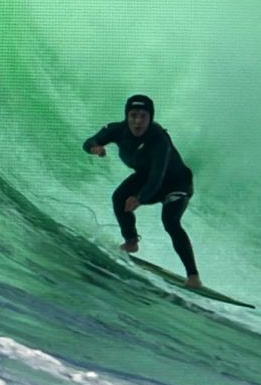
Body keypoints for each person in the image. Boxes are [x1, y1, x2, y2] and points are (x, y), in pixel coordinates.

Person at [82, 93, 200, 288]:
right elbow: (88, 142)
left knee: (170, 221)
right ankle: (131, 242)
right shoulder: (117, 130)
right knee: (119, 198)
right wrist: (95, 148)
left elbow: (157, 177)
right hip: (147, 176)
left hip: (176, 183)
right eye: (133, 115)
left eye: (143, 116)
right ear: (127, 116)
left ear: (150, 118)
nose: (137, 121)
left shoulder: (159, 138)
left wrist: (139, 198)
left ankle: (193, 276)